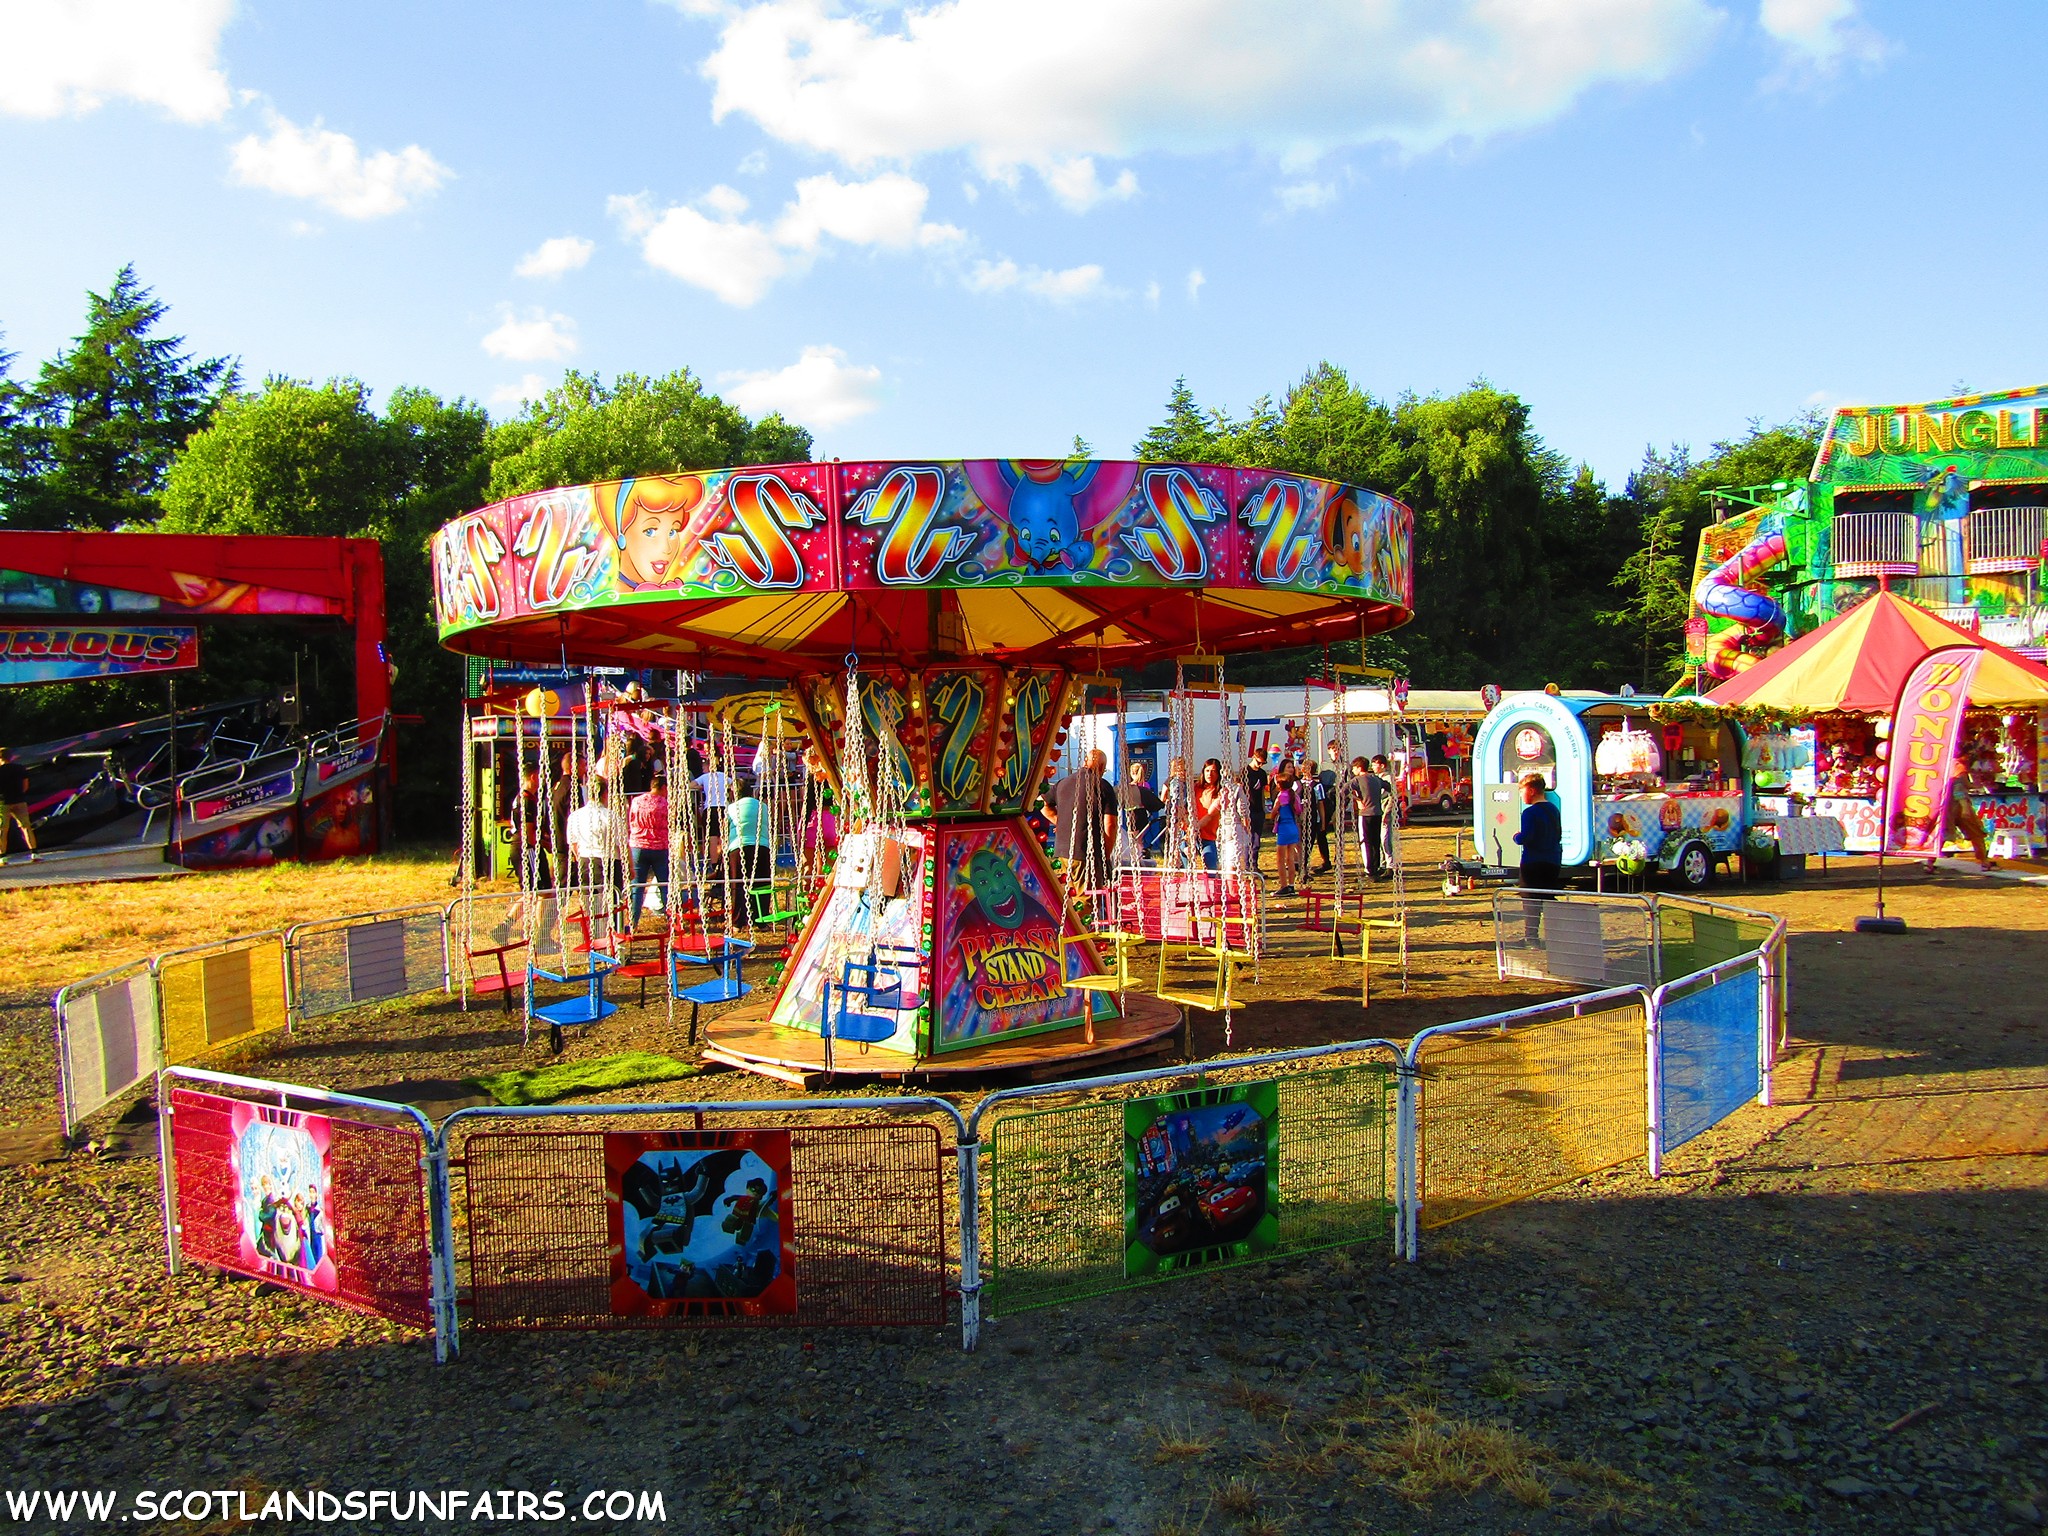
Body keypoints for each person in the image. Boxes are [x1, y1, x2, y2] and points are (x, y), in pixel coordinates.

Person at [1051, 748, 1117, 888]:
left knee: (1064, 896)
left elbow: (1042, 803)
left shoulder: (1063, 783)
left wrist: (1060, 821)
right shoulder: (1103, 786)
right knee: (1084, 900)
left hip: (1060, 853)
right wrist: (1105, 854)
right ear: (1101, 767)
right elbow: (1110, 825)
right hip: (1084, 853)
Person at [1513, 771, 1564, 943]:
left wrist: (1516, 837)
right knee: (1548, 898)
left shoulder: (1530, 813)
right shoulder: (1553, 809)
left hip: (1533, 862)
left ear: (1532, 790)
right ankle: (1556, 936)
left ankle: (1531, 937)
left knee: (1530, 901)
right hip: (1553, 861)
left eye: (1522, 790)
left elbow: (1527, 837)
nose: (1520, 794)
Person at [725, 775, 776, 919]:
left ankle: (737, 920)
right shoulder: (763, 806)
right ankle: (761, 918)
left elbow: (725, 828)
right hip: (762, 846)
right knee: (762, 883)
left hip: (738, 847)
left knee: (738, 884)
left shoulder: (731, 808)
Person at [627, 771, 670, 927]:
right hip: (659, 847)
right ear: (663, 787)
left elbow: (630, 819)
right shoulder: (665, 804)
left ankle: (633, 921)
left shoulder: (636, 801)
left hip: (638, 845)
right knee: (665, 884)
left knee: (637, 886)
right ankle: (672, 920)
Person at [564, 779, 621, 894]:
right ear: (605, 794)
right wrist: (629, 866)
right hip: (609, 861)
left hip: (585, 861)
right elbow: (621, 844)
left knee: (591, 902)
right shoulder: (612, 816)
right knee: (612, 901)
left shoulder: (575, 816)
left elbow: (573, 845)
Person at [1947, 768, 1995, 870]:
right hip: (1958, 806)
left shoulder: (1946, 765)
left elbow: (1964, 785)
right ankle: (1984, 862)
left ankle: (1930, 862)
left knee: (1942, 834)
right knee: (1976, 833)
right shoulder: (1958, 767)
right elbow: (1958, 789)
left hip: (1946, 806)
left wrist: (1974, 785)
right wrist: (1965, 807)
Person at [1118, 759, 1162, 865]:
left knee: (1133, 838)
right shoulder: (1145, 785)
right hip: (1142, 813)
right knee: (1140, 839)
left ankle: (1135, 857)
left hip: (1133, 813)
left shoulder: (1131, 787)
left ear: (1132, 773)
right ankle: (1140, 857)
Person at [1309, 740, 1342, 875]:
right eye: (1332, 749)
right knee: (1321, 831)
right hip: (1326, 799)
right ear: (1329, 751)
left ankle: (1339, 861)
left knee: (1338, 832)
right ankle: (1326, 861)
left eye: (1337, 748)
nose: (1335, 751)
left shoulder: (1345, 766)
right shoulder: (1324, 765)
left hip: (1338, 800)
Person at [0, 747, 37, 864]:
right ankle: (34, 853)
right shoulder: (20, 768)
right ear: (11, 756)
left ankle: (3, 856)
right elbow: (25, 786)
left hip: (3, 802)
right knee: (26, 827)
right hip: (19, 800)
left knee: (3, 829)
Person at [1270, 765, 1302, 896]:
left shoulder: (1280, 797)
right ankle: (1291, 885)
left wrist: (1276, 812)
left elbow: (1272, 814)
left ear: (1279, 785)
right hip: (1293, 828)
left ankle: (1283, 885)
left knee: (1280, 859)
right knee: (1290, 859)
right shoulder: (1294, 796)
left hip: (1283, 828)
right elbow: (1299, 810)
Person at [1368, 754, 1397, 880]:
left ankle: (1391, 866)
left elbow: (1392, 796)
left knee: (1385, 839)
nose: (1373, 767)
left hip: (1385, 811)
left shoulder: (1389, 778)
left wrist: (1387, 813)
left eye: (1375, 764)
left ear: (1382, 765)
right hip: (1377, 812)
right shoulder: (1375, 777)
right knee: (1378, 839)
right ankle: (1382, 865)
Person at [1194, 758, 1225, 872]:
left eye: (1213, 771)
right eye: (1207, 771)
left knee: (1211, 867)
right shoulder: (1196, 787)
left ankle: (1214, 887)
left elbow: (1210, 815)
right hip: (1190, 834)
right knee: (1187, 859)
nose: (1209, 774)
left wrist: (1195, 828)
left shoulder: (1220, 792)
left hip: (1207, 834)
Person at [1244, 747, 1269, 874]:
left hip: (1259, 809)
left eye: (1263, 763)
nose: (1260, 765)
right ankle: (1248, 864)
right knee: (1249, 839)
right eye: (1258, 762)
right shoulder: (1246, 772)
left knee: (1257, 840)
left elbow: (1263, 793)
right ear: (1254, 757)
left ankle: (1254, 863)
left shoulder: (1262, 774)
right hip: (1249, 809)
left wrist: (1264, 808)